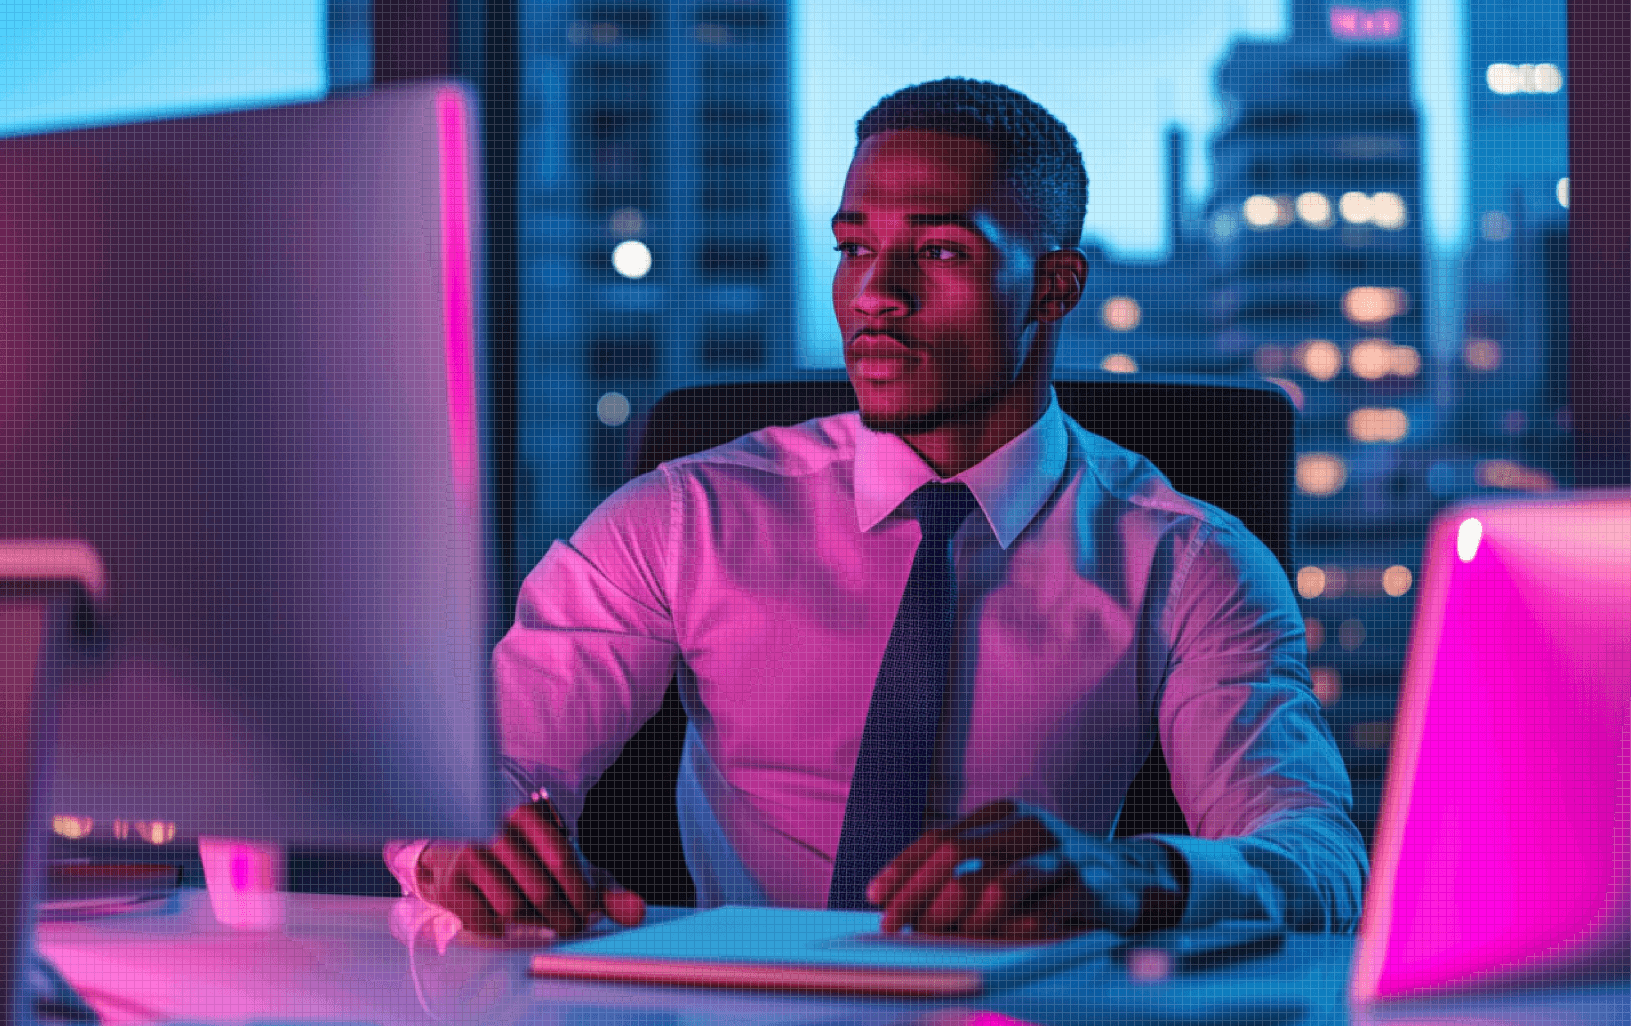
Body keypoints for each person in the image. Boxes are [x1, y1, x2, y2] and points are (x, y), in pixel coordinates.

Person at [389, 78, 1365, 941]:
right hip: (736, 1011)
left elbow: (1320, 858)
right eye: (854, 246)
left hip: (1016, 1009)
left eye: (939, 251)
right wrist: (458, 846)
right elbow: (465, 778)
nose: (875, 294)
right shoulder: (684, 519)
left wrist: (1137, 873)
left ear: (1057, 286)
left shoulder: (1186, 560)